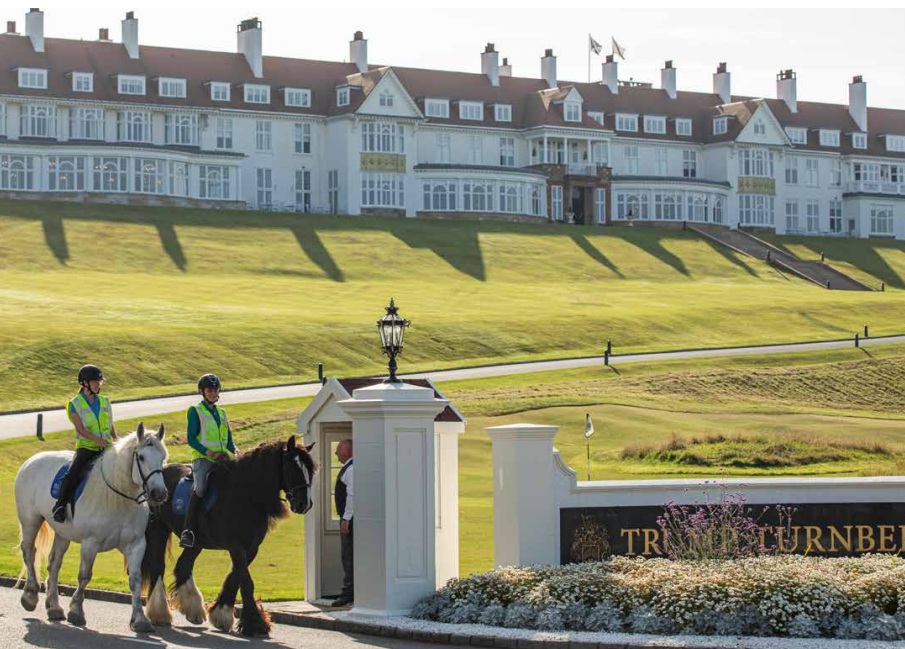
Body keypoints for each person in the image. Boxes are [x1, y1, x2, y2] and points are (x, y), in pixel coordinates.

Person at [53, 364, 117, 523]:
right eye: (94, 382)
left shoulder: (105, 401)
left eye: (99, 382)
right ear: (84, 383)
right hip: (86, 447)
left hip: (107, 446)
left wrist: (117, 440)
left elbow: (110, 423)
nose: (98, 384)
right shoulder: (74, 404)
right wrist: (98, 441)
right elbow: (80, 429)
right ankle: (60, 506)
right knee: (73, 473)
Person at [180, 373, 237, 549]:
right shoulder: (195, 411)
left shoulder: (222, 413)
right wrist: (209, 453)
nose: (213, 393)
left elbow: (228, 439)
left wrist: (235, 451)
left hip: (222, 458)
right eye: (209, 390)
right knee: (201, 489)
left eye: (215, 390)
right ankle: (188, 531)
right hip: (203, 459)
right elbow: (191, 439)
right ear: (202, 392)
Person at [332, 438, 354, 607]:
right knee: (347, 555)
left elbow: (352, 496)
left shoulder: (351, 469)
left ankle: (348, 593)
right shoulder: (350, 467)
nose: (336, 452)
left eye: (338, 449)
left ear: (346, 451)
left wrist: (346, 518)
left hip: (350, 520)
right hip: (349, 518)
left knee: (348, 556)